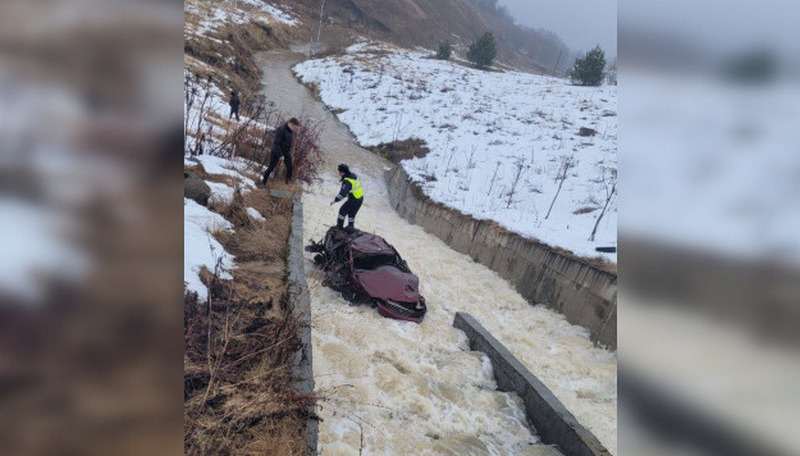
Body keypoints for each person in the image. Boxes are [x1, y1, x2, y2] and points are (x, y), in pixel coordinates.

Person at [262, 118, 300, 184]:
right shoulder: (281, 129)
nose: (295, 130)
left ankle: (287, 183)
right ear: (291, 124)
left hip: (286, 153)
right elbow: (276, 143)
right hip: (276, 151)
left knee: (290, 168)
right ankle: (264, 182)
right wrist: (280, 154)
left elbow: (289, 143)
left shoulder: (291, 131)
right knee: (271, 167)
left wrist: (289, 151)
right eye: (295, 128)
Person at [330, 164, 364, 232]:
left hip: (354, 199)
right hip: (360, 198)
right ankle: (350, 228)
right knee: (351, 214)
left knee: (342, 211)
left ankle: (339, 228)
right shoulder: (353, 175)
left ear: (342, 172)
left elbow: (343, 194)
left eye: (339, 172)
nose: (339, 173)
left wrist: (334, 201)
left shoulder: (347, 181)